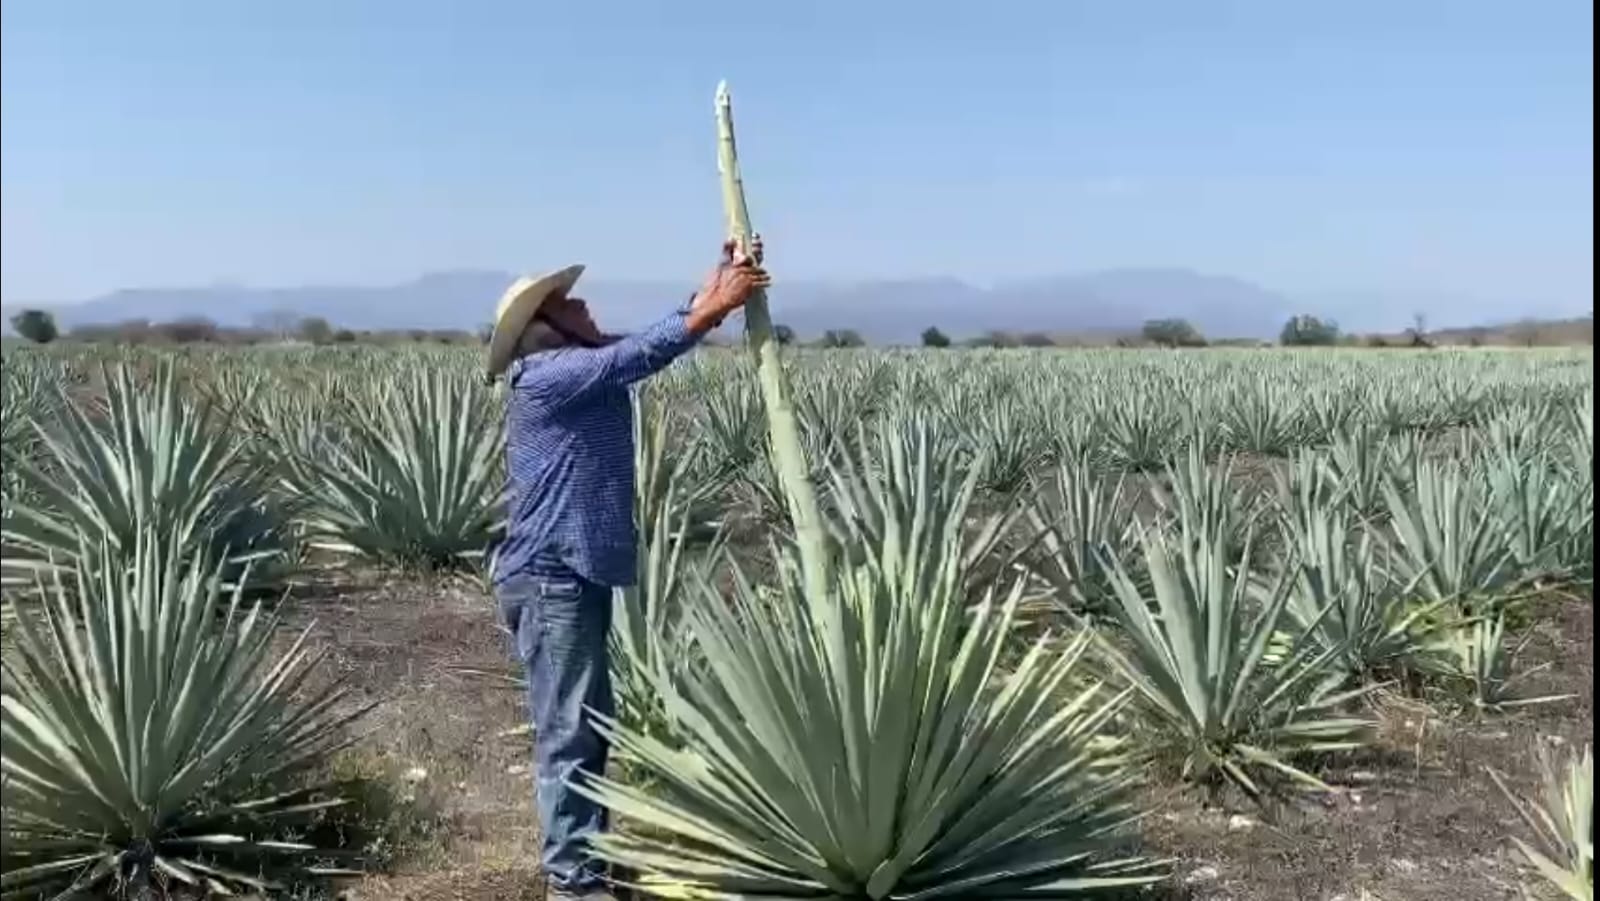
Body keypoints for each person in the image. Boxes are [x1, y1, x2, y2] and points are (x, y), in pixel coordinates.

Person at [484, 238, 769, 900]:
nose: (582, 303)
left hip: (571, 572)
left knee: (587, 723)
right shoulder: (548, 377)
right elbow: (637, 355)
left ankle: (586, 861)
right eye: (565, 303)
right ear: (543, 329)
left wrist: (718, 287)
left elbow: (642, 343)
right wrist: (714, 308)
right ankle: (572, 883)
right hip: (551, 575)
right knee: (569, 729)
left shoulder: (574, 370)